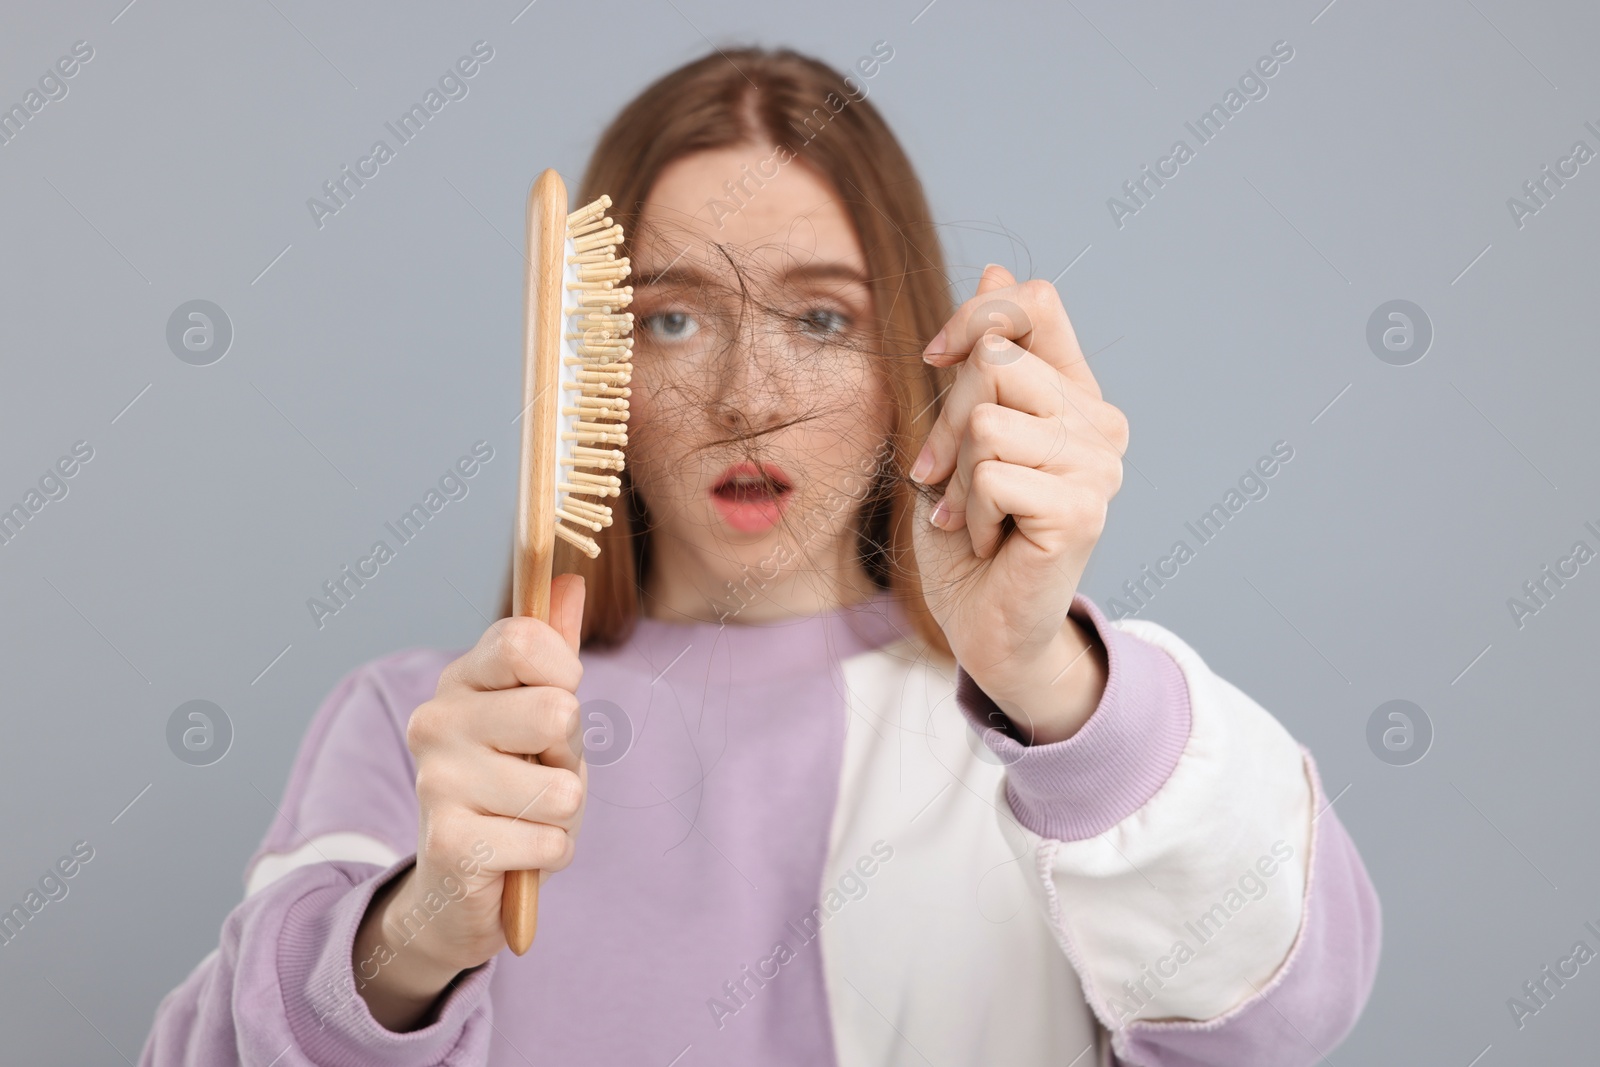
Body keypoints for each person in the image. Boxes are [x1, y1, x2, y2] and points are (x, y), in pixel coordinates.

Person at [140, 48, 1379, 1066]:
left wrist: (1047, 676)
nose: (750, 395)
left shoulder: (1060, 729)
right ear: (594, 370)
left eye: (821, 315)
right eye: (672, 316)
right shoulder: (422, 731)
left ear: (911, 354)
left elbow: (1277, 1013)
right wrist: (415, 933)